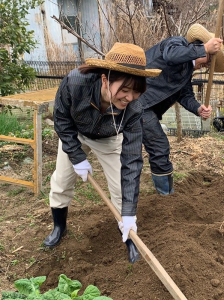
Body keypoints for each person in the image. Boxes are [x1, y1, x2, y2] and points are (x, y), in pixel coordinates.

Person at [43, 43, 161, 263]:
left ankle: (129, 238)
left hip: (109, 138)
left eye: (135, 91)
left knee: (120, 188)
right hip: (75, 133)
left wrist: (128, 213)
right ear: (105, 79)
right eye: (124, 90)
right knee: (61, 181)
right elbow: (61, 119)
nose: (129, 97)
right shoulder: (75, 83)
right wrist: (77, 157)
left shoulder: (134, 109)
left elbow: (133, 160)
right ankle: (59, 227)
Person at [139, 23, 224, 194]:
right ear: (200, 46)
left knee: (147, 148)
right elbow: (171, 56)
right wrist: (204, 49)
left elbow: (184, 95)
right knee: (159, 146)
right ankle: (165, 194)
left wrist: (198, 108)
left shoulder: (186, 70)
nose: (207, 66)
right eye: (209, 60)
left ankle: (162, 192)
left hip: (146, 107)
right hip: (139, 102)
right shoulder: (176, 44)